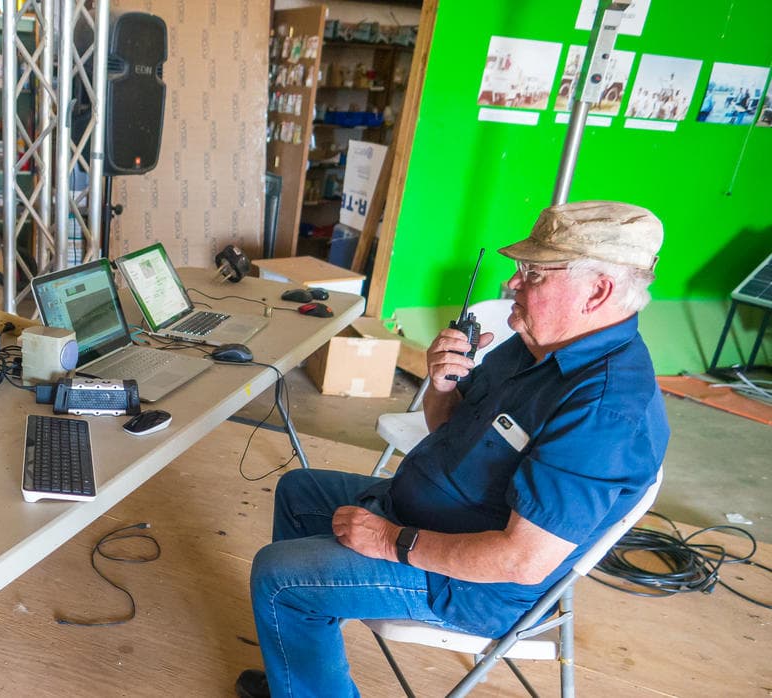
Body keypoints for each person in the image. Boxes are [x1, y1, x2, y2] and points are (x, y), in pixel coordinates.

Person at [236, 201, 671, 698]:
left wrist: (389, 541)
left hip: (477, 585)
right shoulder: (534, 345)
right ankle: (301, 676)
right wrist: (442, 386)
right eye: (519, 270)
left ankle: (303, 642)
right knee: (301, 491)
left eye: (535, 273)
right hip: (438, 518)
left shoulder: (605, 411)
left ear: (597, 291)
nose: (514, 284)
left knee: (282, 578)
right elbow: (449, 429)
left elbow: (519, 561)